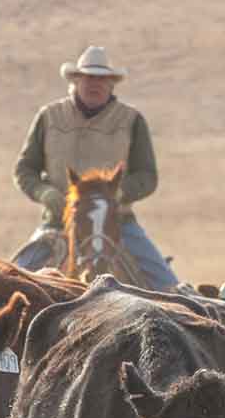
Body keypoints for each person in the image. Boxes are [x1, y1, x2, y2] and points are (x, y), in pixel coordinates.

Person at [12, 45, 179, 290]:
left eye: (102, 79)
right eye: (89, 77)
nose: (95, 84)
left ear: (112, 83)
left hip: (118, 223)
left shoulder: (131, 120)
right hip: (57, 223)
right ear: (76, 80)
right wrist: (45, 194)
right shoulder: (50, 116)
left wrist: (119, 195)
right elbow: (25, 169)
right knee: (10, 285)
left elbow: (147, 175)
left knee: (170, 288)